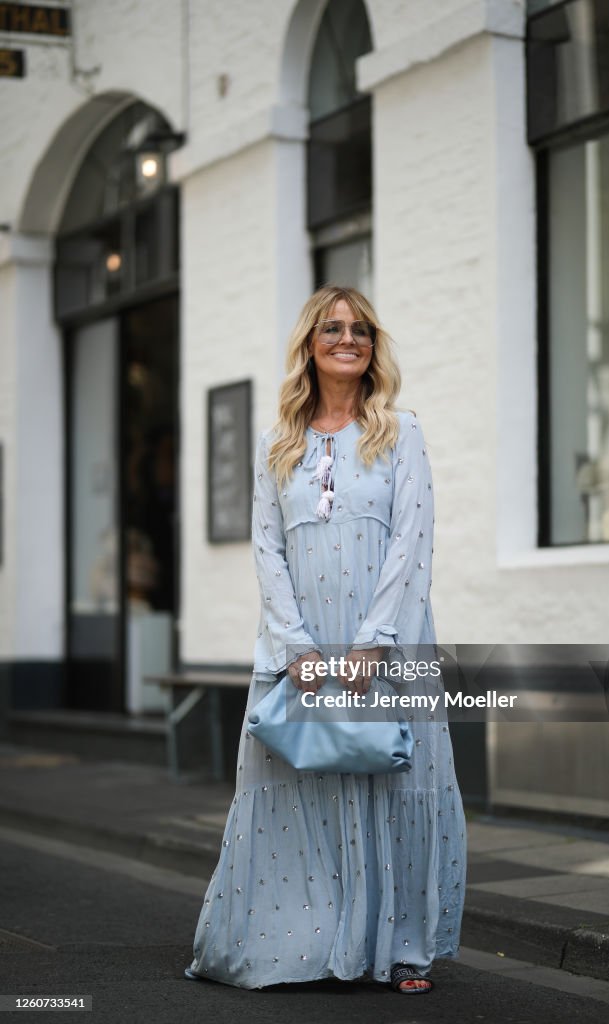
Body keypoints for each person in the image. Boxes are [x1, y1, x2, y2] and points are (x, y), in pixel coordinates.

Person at [185, 285, 467, 993]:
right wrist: (299, 648)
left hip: (388, 637)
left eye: (362, 329)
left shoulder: (402, 431)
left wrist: (374, 640)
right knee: (294, 785)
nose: (350, 338)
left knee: (395, 783)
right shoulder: (275, 443)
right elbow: (266, 549)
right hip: (299, 640)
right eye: (334, 328)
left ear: (374, 346)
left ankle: (402, 947)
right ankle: (306, 940)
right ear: (311, 344)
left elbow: (412, 542)